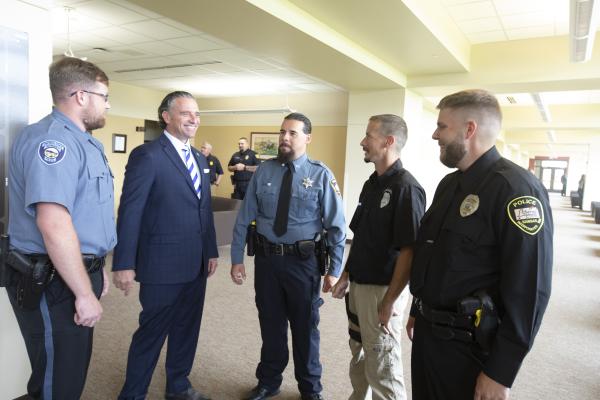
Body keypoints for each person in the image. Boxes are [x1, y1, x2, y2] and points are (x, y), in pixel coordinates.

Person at [408, 89, 553, 400]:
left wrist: (501, 372)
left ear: (469, 129)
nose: (435, 135)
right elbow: (433, 255)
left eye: (441, 126)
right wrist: (418, 308)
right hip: (428, 335)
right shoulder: (449, 185)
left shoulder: (516, 189)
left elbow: (530, 289)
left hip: (469, 348)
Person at [4, 57, 116, 399]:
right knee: (58, 383)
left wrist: (96, 267)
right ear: (81, 96)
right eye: (104, 96)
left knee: (68, 371)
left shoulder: (86, 142)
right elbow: (53, 224)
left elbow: (86, 214)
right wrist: (83, 292)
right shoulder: (54, 142)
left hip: (74, 271)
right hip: (54, 281)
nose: (107, 104)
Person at [230, 113, 346, 400]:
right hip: (268, 262)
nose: (285, 137)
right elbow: (244, 219)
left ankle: (310, 388)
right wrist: (236, 258)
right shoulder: (264, 172)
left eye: (292, 133)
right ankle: (269, 381)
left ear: (307, 137)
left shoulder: (320, 174)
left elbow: (336, 227)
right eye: (282, 132)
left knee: (305, 327)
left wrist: (334, 269)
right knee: (270, 323)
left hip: (303, 263)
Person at [112, 91, 218, 400]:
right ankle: (132, 394)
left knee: (187, 331)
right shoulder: (148, 155)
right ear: (166, 116)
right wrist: (123, 262)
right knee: (152, 334)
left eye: (196, 114)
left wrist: (210, 250)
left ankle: (179, 387)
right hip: (161, 265)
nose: (194, 119)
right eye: (186, 113)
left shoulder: (199, 157)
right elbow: (131, 211)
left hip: (196, 263)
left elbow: (204, 209)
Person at [331, 114, 425, 400]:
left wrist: (389, 301)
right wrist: (346, 275)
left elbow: (410, 250)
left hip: (383, 291)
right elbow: (359, 236)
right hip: (359, 286)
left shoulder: (407, 188)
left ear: (388, 141)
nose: (362, 142)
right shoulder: (372, 183)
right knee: (359, 352)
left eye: (368, 136)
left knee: (383, 362)